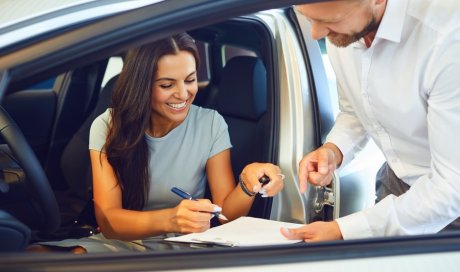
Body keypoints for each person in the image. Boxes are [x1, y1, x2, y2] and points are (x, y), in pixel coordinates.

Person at [28, 33, 284, 253]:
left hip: (186, 245)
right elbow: (110, 222)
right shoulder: (109, 125)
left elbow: (226, 215)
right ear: (142, 86)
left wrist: (247, 184)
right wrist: (171, 218)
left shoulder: (211, 124)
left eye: (190, 80)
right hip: (124, 240)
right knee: (33, 255)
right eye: (166, 84)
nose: (183, 94)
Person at [281, 0, 460, 242]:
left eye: (330, 20)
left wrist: (343, 231)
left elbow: (451, 188)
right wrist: (334, 150)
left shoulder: (447, 40)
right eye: (309, 19)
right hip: (394, 182)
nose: (316, 34)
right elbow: (355, 110)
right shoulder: (343, 33)